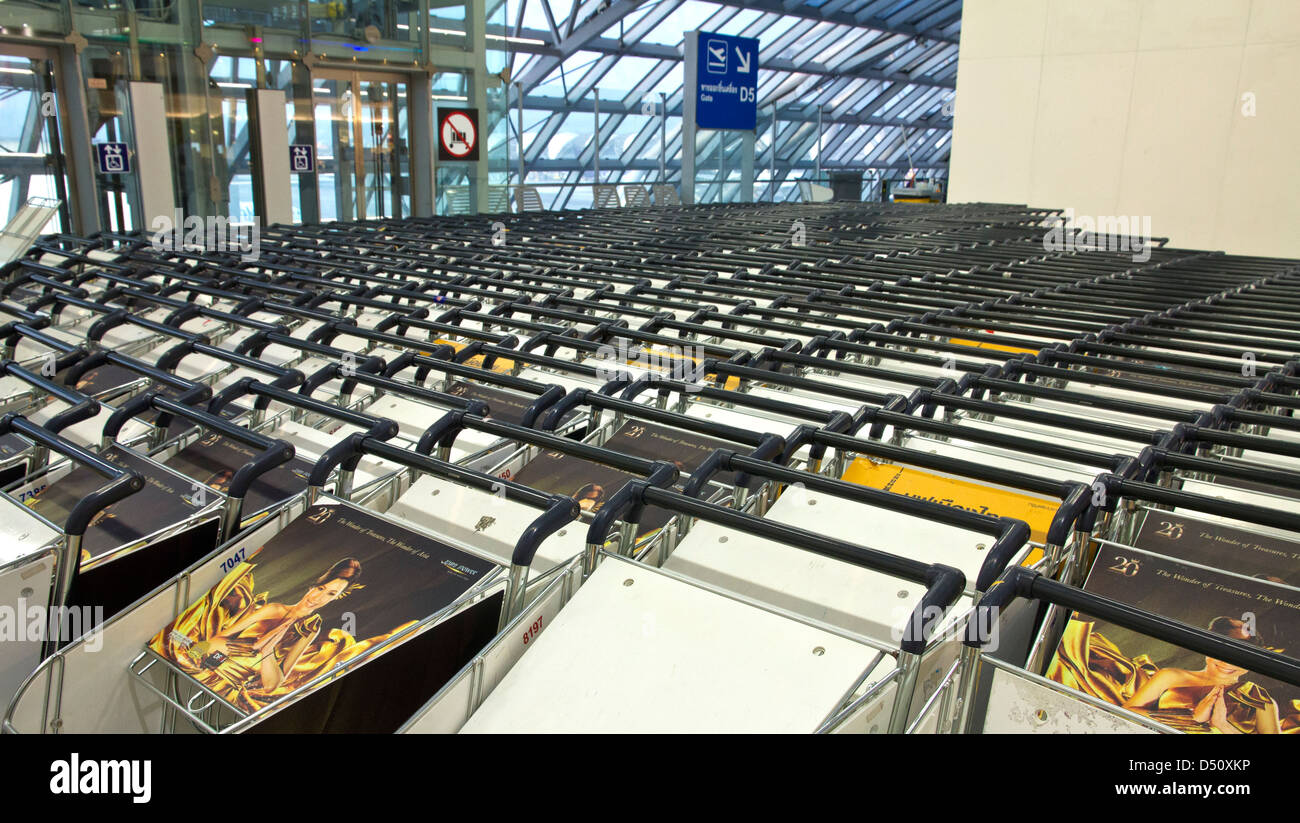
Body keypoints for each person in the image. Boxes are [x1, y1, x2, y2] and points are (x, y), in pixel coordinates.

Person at [151, 556, 403, 713]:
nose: (318, 598)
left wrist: (268, 651)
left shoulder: (310, 628)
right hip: (210, 670)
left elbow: (273, 684)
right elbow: (220, 639)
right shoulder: (273, 609)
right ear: (313, 584)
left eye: (330, 595)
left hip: (235, 692)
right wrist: (199, 658)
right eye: (321, 588)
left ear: (337, 598)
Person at [1048, 616, 1291, 734]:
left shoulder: (1261, 700)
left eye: (1243, 656)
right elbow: (1125, 716)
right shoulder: (1171, 677)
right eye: (1223, 652)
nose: (1230, 664)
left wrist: (1220, 724)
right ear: (1206, 648)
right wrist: (1191, 718)